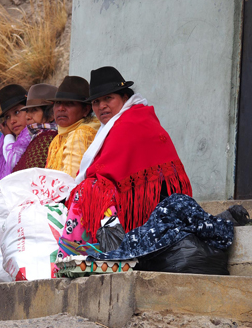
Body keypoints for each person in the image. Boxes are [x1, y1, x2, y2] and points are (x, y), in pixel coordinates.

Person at [59, 66, 192, 258]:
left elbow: (103, 173)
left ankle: (91, 254)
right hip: (140, 199)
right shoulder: (121, 121)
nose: (101, 106)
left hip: (154, 204)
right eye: (96, 102)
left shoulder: (131, 121)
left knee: (90, 192)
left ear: (124, 97)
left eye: (108, 98)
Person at [45, 76, 100, 178]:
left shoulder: (81, 134)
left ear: (86, 110)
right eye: (58, 103)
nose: (61, 108)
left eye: (69, 104)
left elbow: (70, 180)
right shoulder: (59, 138)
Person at [12, 83, 58, 172]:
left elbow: (31, 172)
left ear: (51, 114)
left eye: (34, 110)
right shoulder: (38, 136)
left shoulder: (46, 137)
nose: (27, 116)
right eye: (27, 111)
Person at [0, 84, 29, 184]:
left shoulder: (31, 135)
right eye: (7, 117)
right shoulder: (15, 139)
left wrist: (8, 136)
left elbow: (14, 161)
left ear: (29, 110)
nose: (12, 121)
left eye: (17, 112)